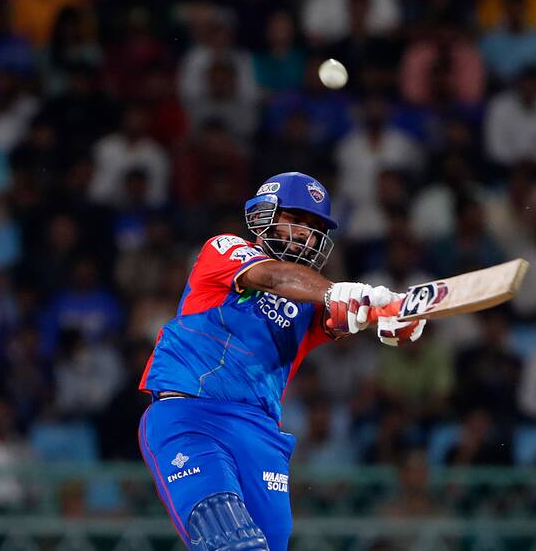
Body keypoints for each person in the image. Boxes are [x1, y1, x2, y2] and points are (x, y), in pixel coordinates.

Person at [137, 172, 428, 550]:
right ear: (265, 216)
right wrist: (341, 292)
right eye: (296, 219)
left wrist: (392, 314)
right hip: (192, 417)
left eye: (314, 227)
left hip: (261, 434)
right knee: (231, 540)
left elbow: (347, 315)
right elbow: (274, 277)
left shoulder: (311, 301)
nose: (306, 234)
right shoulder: (224, 249)